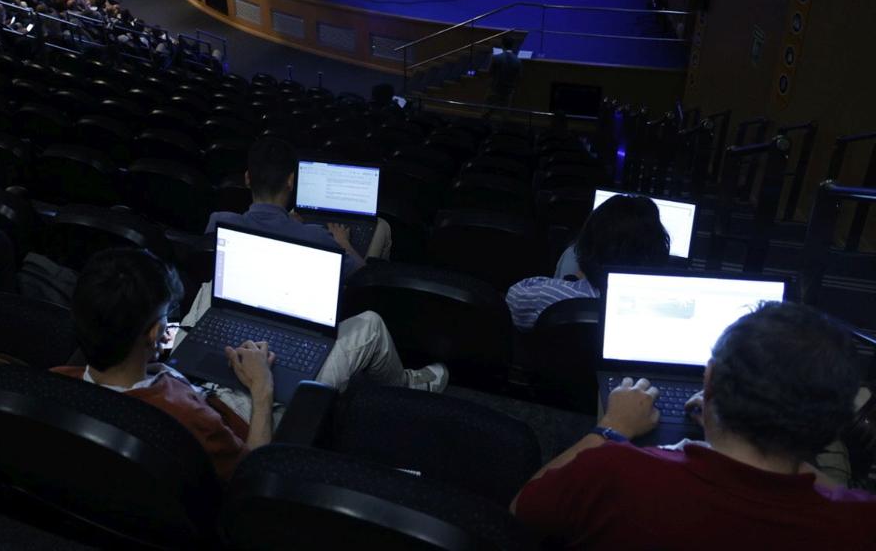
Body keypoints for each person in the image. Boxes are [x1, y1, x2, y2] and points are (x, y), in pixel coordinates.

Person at [55, 249, 448, 481]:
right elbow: (254, 472)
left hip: (188, 382)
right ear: (155, 331)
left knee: (212, 294)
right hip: (246, 413)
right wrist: (261, 387)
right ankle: (414, 385)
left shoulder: (58, 382)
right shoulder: (189, 422)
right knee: (369, 327)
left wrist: (160, 366)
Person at [511, 302, 876, 549]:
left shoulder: (611, 472)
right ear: (831, 425)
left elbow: (522, 508)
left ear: (710, 381)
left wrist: (611, 426)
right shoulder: (860, 525)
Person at [205, 137, 391, 278]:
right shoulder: (317, 237)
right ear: (291, 181)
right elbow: (362, 276)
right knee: (382, 226)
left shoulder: (218, 222)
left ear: (247, 179)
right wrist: (344, 243)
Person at [505, 194, 670, 330]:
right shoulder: (666, 314)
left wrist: (576, 278)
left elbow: (512, 299)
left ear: (586, 244)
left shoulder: (551, 298)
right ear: (658, 254)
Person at [488, 36, 522, 108]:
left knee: (487, 109)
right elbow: (519, 76)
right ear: (513, 46)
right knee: (505, 111)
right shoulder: (518, 61)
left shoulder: (495, 57)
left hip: (495, 88)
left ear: (502, 45)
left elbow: (490, 72)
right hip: (509, 89)